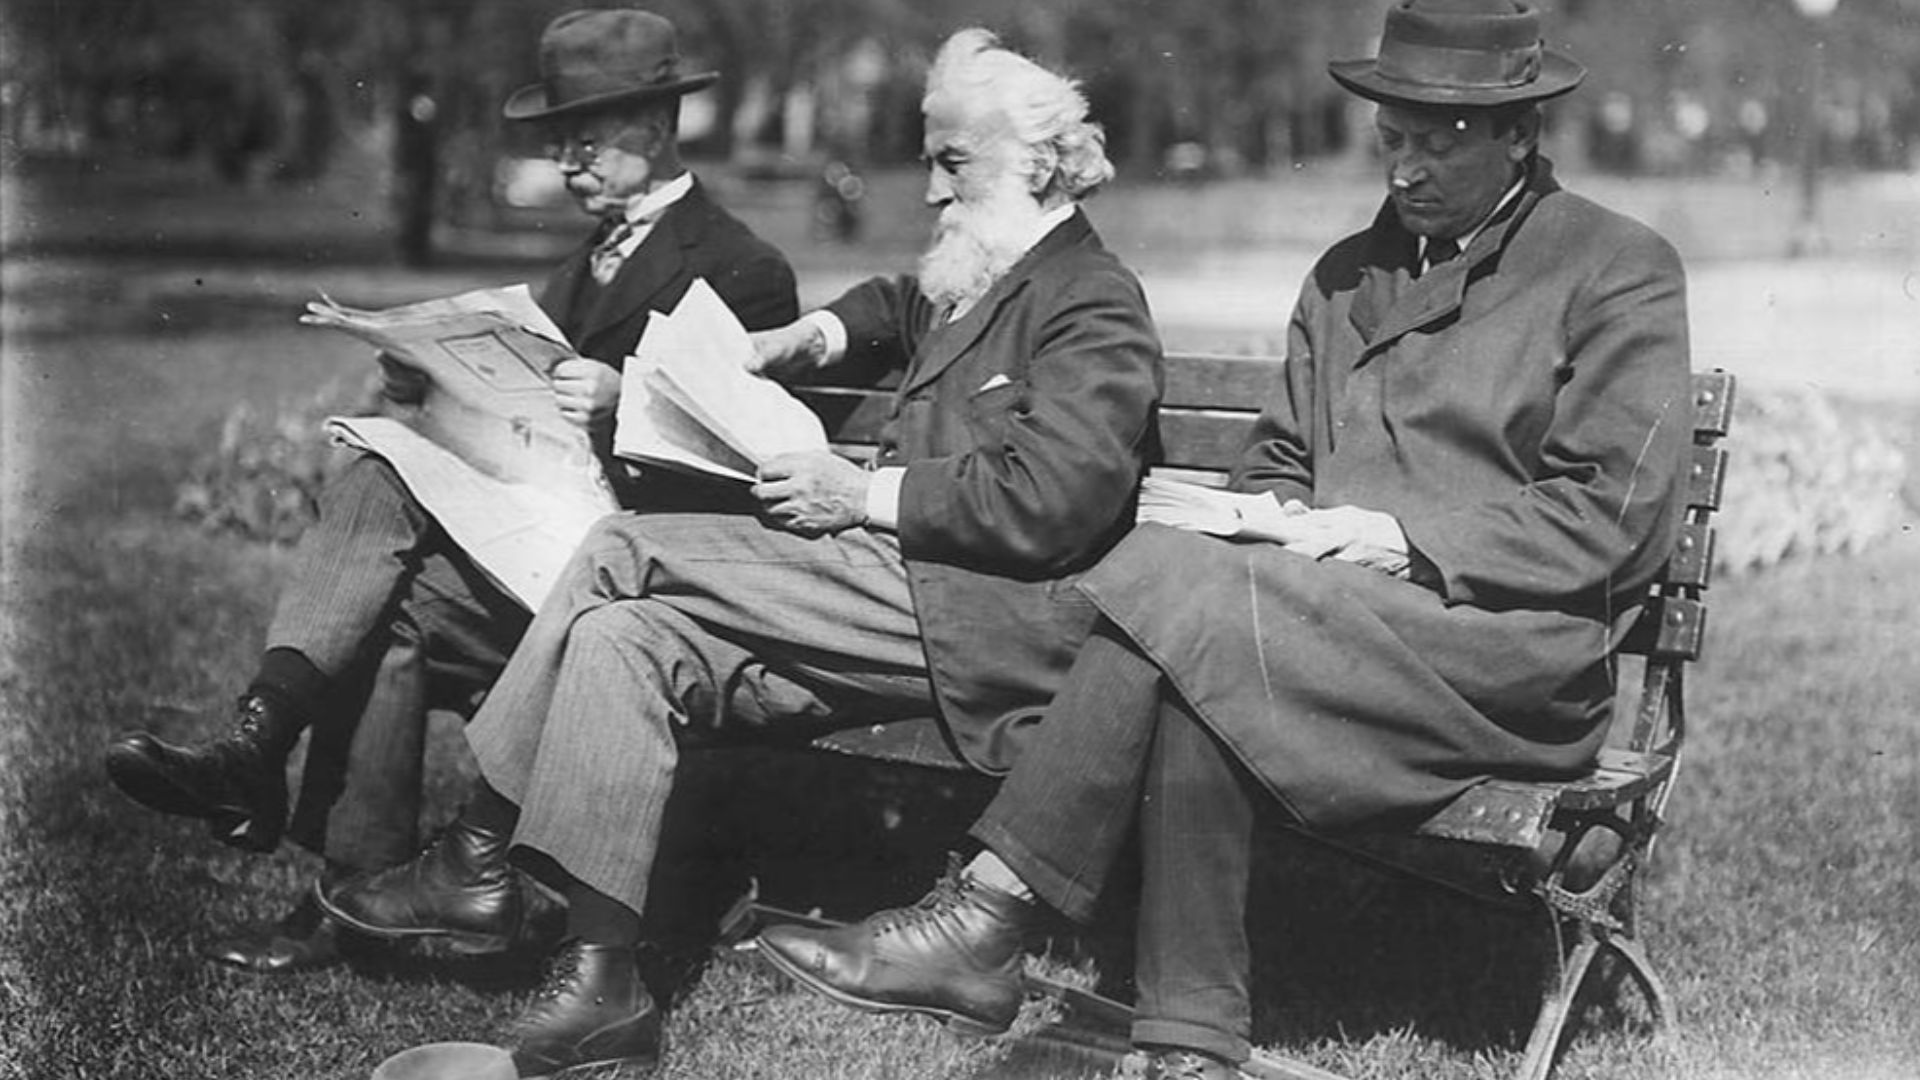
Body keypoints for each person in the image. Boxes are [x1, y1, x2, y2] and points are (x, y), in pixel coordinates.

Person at [754, 2, 1695, 1077]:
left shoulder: (1614, 268)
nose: (1407, 168)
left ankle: (986, 917)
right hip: (1328, 629)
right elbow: (1279, 464)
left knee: (1173, 601)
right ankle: (1189, 1044)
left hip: (1505, 657)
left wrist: (1396, 536)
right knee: (1192, 650)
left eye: (1443, 142)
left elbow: (1614, 517)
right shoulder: (1348, 275)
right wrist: (1269, 520)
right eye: (1394, 137)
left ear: (1523, 133)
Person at [312, 27, 1160, 1077]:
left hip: (984, 617)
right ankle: (603, 989)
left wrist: (863, 491)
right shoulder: (990, 273)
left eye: (953, 163)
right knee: (627, 637)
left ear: (1037, 165)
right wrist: (797, 342)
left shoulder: (1093, 300)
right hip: (893, 600)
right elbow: (898, 306)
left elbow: (1059, 499)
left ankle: (476, 850)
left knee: (624, 548)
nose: (931, 191)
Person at [101, 8, 798, 976]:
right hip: (531, 556)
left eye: (584, 138)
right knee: (386, 497)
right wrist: (419, 381)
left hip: (632, 593)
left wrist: (623, 408)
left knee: (387, 580)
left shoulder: (744, 272)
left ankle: (267, 771)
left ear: (655, 127)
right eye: (557, 139)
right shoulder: (576, 269)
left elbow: (747, 475)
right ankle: (325, 850)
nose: (567, 161)